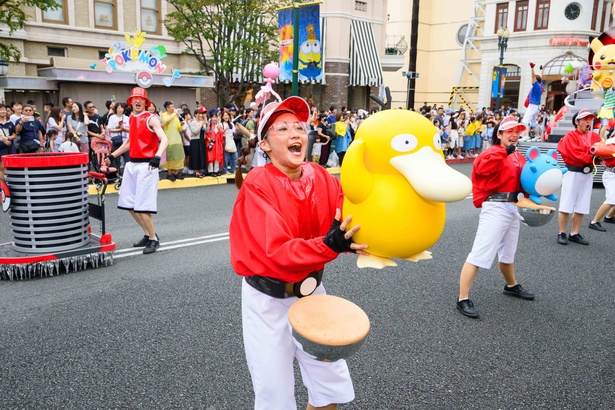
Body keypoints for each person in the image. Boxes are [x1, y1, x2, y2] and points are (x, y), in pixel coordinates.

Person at [229, 96, 368, 410]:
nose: (295, 134)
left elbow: (348, 219)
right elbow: (277, 249)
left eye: (299, 127)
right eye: (282, 129)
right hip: (267, 301)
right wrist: (329, 245)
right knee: (274, 395)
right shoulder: (257, 185)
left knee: (329, 385)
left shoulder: (320, 176)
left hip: (313, 291)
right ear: (265, 145)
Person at [456, 116, 535, 319]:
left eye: (517, 131)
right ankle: (462, 298)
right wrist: (504, 153)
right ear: (499, 134)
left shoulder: (518, 155)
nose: (514, 134)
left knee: (508, 252)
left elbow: (526, 179)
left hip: (514, 206)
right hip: (496, 206)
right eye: (509, 131)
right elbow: (483, 169)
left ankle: (511, 285)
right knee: (479, 253)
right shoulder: (493, 152)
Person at [104, 87, 169, 255]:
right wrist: (112, 155)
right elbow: (130, 143)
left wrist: (157, 156)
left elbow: (164, 139)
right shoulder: (132, 118)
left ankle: (154, 239)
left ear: (146, 102)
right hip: (132, 164)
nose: (138, 101)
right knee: (129, 204)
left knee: (142, 206)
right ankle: (147, 234)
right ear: (131, 101)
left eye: (141, 99)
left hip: (147, 165)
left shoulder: (151, 118)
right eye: (135, 99)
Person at [556, 109, 602, 245]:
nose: (589, 121)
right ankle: (561, 232)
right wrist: (594, 156)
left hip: (587, 174)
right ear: (577, 122)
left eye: (590, 118)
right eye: (585, 118)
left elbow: (600, 151)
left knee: (582, 205)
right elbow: (576, 154)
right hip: (573, 173)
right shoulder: (570, 136)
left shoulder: (594, 136)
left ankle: (574, 233)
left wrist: (599, 155)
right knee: (566, 204)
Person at [160, 101, 185, 181]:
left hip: (177, 139)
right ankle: (169, 173)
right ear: (167, 108)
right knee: (170, 157)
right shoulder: (164, 115)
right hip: (169, 139)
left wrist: (181, 125)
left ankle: (176, 172)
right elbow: (165, 121)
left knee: (177, 157)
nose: (173, 108)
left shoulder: (175, 116)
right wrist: (175, 114)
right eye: (172, 107)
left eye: (173, 107)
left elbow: (178, 128)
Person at [522, 62, 544, 138]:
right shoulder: (541, 85)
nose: (532, 81)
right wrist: (541, 70)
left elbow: (533, 76)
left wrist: (532, 68)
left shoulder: (536, 86)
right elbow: (540, 77)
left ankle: (526, 136)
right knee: (534, 122)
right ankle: (538, 136)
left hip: (533, 105)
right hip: (537, 107)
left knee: (525, 120)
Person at [106, 102, 130, 173]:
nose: (120, 109)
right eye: (118, 108)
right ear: (116, 109)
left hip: (126, 140)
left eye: (122, 108)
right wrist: (119, 129)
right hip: (116, 140)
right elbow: (110, 129)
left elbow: (131, 129)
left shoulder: (127, 118)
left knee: (127, 159)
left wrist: (124, 128)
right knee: (116, 158)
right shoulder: (112, 118)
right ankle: (117, 173)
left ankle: (126, 173)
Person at [188, 107, 208, 178]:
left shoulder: (202, 121)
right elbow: (195, 132)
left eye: (201, 114)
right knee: (195, 156)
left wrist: (206, 124)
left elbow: (206, 131)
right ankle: (196, 171)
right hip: (195, 141)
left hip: (201, 140)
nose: (201, 115)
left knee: (201, 156)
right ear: (195, 115)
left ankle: (200, 170)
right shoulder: (192, 122)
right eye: (199, 114)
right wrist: (200, 125)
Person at [0, 103, 17, 179]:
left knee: (12, 166)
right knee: (1, 167)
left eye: (4, 110)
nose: (3, 111)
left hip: (10, 147)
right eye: (1, 110)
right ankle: (2, 186)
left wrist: (8, 137)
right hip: (1, 148)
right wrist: (2, 139)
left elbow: (14, 135)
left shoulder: (9, 123)